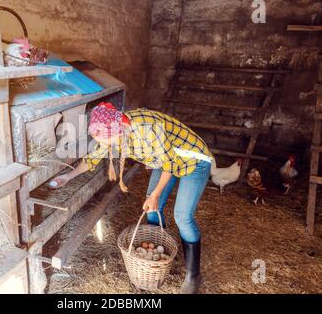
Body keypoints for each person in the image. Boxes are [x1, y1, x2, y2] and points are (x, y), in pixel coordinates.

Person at [51, 102, 212, 294]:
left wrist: (154, 195)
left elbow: (170, 165)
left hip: (193, 160)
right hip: (165, 158)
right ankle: (157, 258)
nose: (105, 145)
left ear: (117, 132)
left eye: (106, 140)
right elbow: (94, 157)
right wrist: (67, 177)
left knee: (182, 217)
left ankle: (193, 275)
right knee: (152, 208)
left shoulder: (148, 129)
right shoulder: (113, 128)